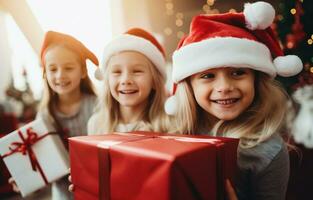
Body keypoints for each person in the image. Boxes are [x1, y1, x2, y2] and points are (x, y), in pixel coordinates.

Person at [164, 2, 303, 200]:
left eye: (238, 73)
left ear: (256, 80)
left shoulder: (270, 151)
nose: (224, 87)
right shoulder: (175, 134)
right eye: (208, 76)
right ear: (190, 86)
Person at [9, 31, 99, 200]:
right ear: (45, 74)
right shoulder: (45, 115)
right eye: (53, 69)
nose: (60, 75)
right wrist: (26, 179)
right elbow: (40, 160)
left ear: (83, 72)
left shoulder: (97, 106)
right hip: (63, 194)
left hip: (95, 190)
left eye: (69, 68)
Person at [88, 28, 172, 134]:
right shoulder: (96, 125)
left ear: (155, 81)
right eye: (117, 72)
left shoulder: (170, 125)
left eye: (137, 71)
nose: (126, 80)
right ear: (108, 80)